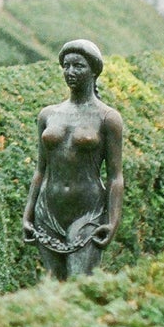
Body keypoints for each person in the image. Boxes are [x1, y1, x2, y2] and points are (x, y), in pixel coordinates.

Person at [21, 39, 125, 281]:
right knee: (53, 289)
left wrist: (112, 221)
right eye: (66, 66)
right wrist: (28, 215)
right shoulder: (48, 115)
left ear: (93, 70)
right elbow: (40, 171)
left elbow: (115, 176)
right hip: (48, 210)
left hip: (88, 212)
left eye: (78, 66)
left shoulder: (108, 118)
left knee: (79, 284)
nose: (70, 72)